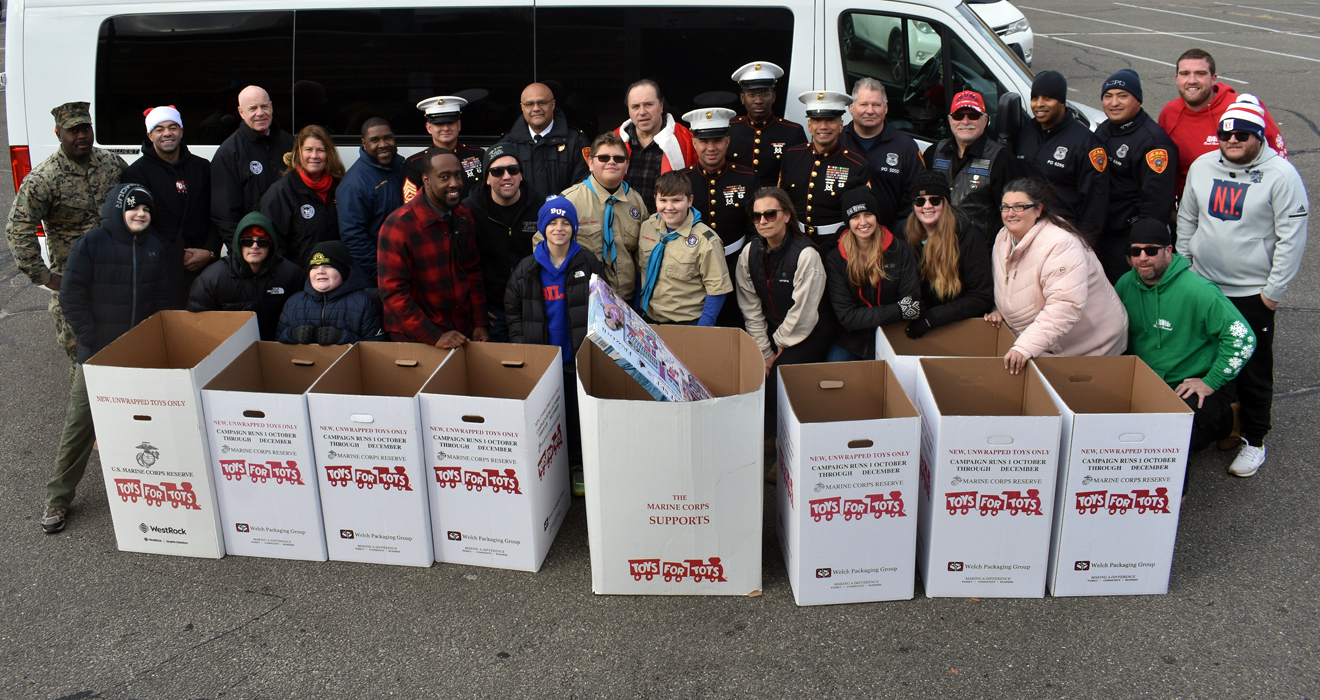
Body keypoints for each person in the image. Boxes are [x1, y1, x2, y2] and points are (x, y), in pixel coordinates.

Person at [1175, 104, 1309, 478]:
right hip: (1204, 284)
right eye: (1225, 134)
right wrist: (1186, 266)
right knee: (1205, 359)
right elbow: (1187, 217)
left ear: (1259, 136)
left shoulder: (1281, 174)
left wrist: (1273, 291)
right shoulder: (1203, 166)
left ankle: (1254, 438)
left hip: (1252, 292)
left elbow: (1292, 236)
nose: (1232, 141)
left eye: (1242, 135)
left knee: (1253, 366)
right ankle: (1222, 423)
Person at [43, 184, 177, 534]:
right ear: (118, 210)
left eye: (146, 210)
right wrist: (92, 339)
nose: (141, 215)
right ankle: (58, 498)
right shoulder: (91, 243)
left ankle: (154, 491)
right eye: (134, 208)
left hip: (137, 354)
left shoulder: (154, 248)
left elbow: (161, 300)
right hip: (97, 353)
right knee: (80, 424)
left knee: (145, 425)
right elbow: (71, 296)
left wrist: (148, 343)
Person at [1116, 219, 1255, 472]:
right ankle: (1224, 420)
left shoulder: (1200, 291)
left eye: (1151, 250)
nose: (1142, 258)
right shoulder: (1126, 283)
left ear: (1169, 251)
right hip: (1148, 379)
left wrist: (1211, 381)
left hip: (1190, 382)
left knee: (1171, 438)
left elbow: (1243, 339)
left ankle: (1172, 500)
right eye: (1135, 251)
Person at [6, 101, 127, 371]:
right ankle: (85, 414)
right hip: (77, 285)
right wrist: (46, 278)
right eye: (73, 130)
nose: (81, 135)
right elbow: (18, 230)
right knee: (85, 364)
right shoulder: (44, 178)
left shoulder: (112, 163)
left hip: (117, 279)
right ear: (58, 133)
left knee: (125, 355)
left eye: (86, 128)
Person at [504, 197, 604, 496]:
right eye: (552, 222)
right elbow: (512, 311)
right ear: (543, 227)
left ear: (574, 227)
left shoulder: (587, 262)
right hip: (544, 358)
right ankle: (550, 472)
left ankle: (579, 466)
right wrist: (523, 349)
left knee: (576, 416)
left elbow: (604, 306)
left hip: (576, 356)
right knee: (548, 415)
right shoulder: (527, 268)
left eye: (565, 223)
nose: (559, 228)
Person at [986, 178, 1128, 374]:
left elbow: (1065, 306)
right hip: (1047, 346)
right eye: (1005, 207)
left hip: (1091, 347)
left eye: (1019, 207)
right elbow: (1008, 283)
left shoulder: (1060, 244)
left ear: (1038, 210)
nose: (1010, 214)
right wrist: (999, 309)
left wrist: (1024, 347)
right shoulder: (1003, 238)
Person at [735, 187, 834, 447]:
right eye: (757, 216)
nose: (763, 221)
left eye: (770, 214)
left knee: (778, 377)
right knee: (751, 371)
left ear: (787, 216)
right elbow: (750, 305)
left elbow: (804, 313)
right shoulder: (749, 253)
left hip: (809, 331)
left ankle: (788, 446)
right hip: (771, 330)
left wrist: (778, 346)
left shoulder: (806, 254)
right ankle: (769, 436)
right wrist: (763, 349)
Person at [378, 150, 489, 348]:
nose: (454, 183)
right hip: (415, 336)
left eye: (457, 175)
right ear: (426, 180)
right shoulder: (398, 226)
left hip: (460, 329)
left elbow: (471, 271)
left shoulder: (463, 214)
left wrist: (479, 321)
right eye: (444, 177)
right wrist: (433, 336)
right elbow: (393, 294)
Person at [121, 105, 219, 302]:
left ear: (181, 131)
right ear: (150, 135)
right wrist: (176, 256)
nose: (167, 133)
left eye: (173, 127)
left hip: (204, 266)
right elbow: (138, 224)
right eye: (159, 129)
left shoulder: (202, 167)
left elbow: (217, 212)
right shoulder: (136, 173)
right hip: (161, 268)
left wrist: (210, 251)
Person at [1158, 48, 1287, 197]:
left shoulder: (1242, 107)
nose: (1192, 80)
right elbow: (1164, 166)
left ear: (1214, 78)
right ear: (1176, 78)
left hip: (1245, 203)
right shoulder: (1169, 113)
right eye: (1185, 74)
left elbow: (1278, 157)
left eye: (1200, 73)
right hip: (1190, 207)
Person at [1094, 70, 1179, 284]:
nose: (1114, 103)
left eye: (1122, 96)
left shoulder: (1154, 144)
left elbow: (1156, 205)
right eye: (1108, 96)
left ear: (1137, 100)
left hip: (1128, 241)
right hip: (1104, 235)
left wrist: (1137, 248)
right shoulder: (1105, 130)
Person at [680, 107, 759, 328]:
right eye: (704, 141)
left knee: (734, 328)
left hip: (736, 266)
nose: (711, 148)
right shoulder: (680, 180)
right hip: (691, 270)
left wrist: (746, 263)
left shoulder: (747, 178)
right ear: (694, 142)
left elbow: (756, 228)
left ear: (727, 141)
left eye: (717, 140)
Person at [824, 188, 920, 361]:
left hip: (893, 334)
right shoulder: (835, 258)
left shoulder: (900, 249)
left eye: (868, 214)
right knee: (834, 375)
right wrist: (898, 309)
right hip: (851, 340)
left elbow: (912, 305)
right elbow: (847, 317)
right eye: (855, 217)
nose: (863, 222)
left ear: (876, 215)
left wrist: (899, 311)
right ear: (848, 221)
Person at [463, 143, 545, 342]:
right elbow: (463, 267)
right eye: (498, 171)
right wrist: (477, 311)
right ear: (487, 179)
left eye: (513, 169)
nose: (507, 176)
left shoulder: (540, 206)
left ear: (521, 174)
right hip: (491, 309)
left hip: (533, 306)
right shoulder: (467, 212)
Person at [1014, 71, 1109, 242]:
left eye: (1048, 98)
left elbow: (1095, 203)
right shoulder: (1025, 132)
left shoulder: (1086, 143)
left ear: (1062, 102)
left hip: (1063, 236)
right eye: (1035, 98)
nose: (1039, 104)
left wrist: (1086, 244)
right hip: (1026, 231)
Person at [922, 91, 1024, 244]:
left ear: (985, 120)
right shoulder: (933, 153)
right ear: (950, 120)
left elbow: (1015, 214)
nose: (965, 121)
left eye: (973, 115)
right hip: (936, 248)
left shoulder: (1002, 159)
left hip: (981, 252)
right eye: (958, 116)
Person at [557, 132, 648, 301]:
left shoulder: (636, 202)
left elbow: (642, 254)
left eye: (619, 158)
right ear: (590, 163)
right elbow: (545, 248)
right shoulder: (568, 201)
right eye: (603, 157)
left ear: (627, 166)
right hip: (583, 301)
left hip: (625, 300)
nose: (611, 162)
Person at [902, 171, 994, 338]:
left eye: (935, 200)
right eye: (920, 201)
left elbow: (981, 295)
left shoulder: (967, 236)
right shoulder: (904, 233)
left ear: (945, 202)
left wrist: (933, 318)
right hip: (918, 322)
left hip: (958, 326)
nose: (927, 206)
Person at [188, 210, 303, 341]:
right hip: (229, 347)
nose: (255, 246)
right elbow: (198, 323)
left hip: (277, 347)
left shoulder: (291, 274)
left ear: (271, 245)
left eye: (262, 242)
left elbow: (300, 317)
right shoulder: (213, 277)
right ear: (238, 243)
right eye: (247, 241)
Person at [636, 171, 733, 325]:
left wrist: (702, 329)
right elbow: (641, 273)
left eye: (676, 200)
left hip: (686, 323)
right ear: (655, 200)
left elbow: (717, 290)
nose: (669, 207)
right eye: (663, 200)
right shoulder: (647, 227)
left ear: (690, 200)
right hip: (648, 319)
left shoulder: (706, 240)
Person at [779, 91, 871, 250]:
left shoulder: (857, 165)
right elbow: (782, 201)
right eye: (816, 120)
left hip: (838, 246)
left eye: (830, 120)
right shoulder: (792, 156)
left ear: (841, 125)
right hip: (795, 242)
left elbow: (863, 214)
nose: (823, 126)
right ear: (809, 125)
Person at [211, 85, 295, 242]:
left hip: (292, 242)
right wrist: (241, 250)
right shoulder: (229, 153)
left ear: (271, 106)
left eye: (264, 106)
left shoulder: (290, 143)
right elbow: (225, 214)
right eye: (252, 108)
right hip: (256, 244)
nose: (260, 113)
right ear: (241, 112)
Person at [839, 78, 924, 231]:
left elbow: (915, 197)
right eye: (863, 104)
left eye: (876, 105)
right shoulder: (838, 142)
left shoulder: (905, 146)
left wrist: (897, 237)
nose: (870, 110)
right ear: (851, 107)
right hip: (843, 240)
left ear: (885, 108)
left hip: (893, 240)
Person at [260, 125, 344, 267]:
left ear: (328, 154)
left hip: (336, 273)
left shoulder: (341, 187)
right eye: (308, 150)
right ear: (298, 153)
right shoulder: (280, 192)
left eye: (320, 150)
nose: (314, 156)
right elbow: (274, 246)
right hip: (299, 277)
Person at [278, 241, 382, 345]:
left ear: (343, 271)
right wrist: (291, 335)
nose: (320, 271)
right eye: (314, 267)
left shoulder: (364, 303)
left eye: (327, 266)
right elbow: (277, 348)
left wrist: (343, 337)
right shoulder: (293, 303)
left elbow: (377, 349)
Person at [337, 117, 403, 280]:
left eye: (387, 137)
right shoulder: (353, 184)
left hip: (404, 267)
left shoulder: (404, 167)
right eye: (375, 140)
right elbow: (354, 237)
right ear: (364, 143)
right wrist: (381, 273)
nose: (383, 144)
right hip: (377, 277)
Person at [498, 83, 591, 197]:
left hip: (563, 213)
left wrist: (558, 208)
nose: (536, 108)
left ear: (553, 104)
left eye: (542, 103)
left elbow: (584, 185)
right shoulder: (507, 144)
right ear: (522, 107)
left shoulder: (576, 141)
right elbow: (499, 186)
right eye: (529, 104)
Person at [614, 80, 698, 205]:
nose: (642, 112)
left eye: (648, 105)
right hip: (621, 222)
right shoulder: (614, 141)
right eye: (635, 106)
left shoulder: (686, 140)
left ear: (661, 105)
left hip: (666, 222)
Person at [727, 61, 807, 188]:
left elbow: (799, 176)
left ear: (774, 97)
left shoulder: (792, 132)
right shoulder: (729, 129)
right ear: (742, 98)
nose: (758, 101)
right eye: (751, 95)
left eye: (765, 94)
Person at [402, 96, 486, 202]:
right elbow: (411, 205)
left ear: (459, 125)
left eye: (450, 123)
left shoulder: (479, 155)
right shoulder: (415, 163)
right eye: (439, 124)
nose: (445, 128)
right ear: (429, 128)